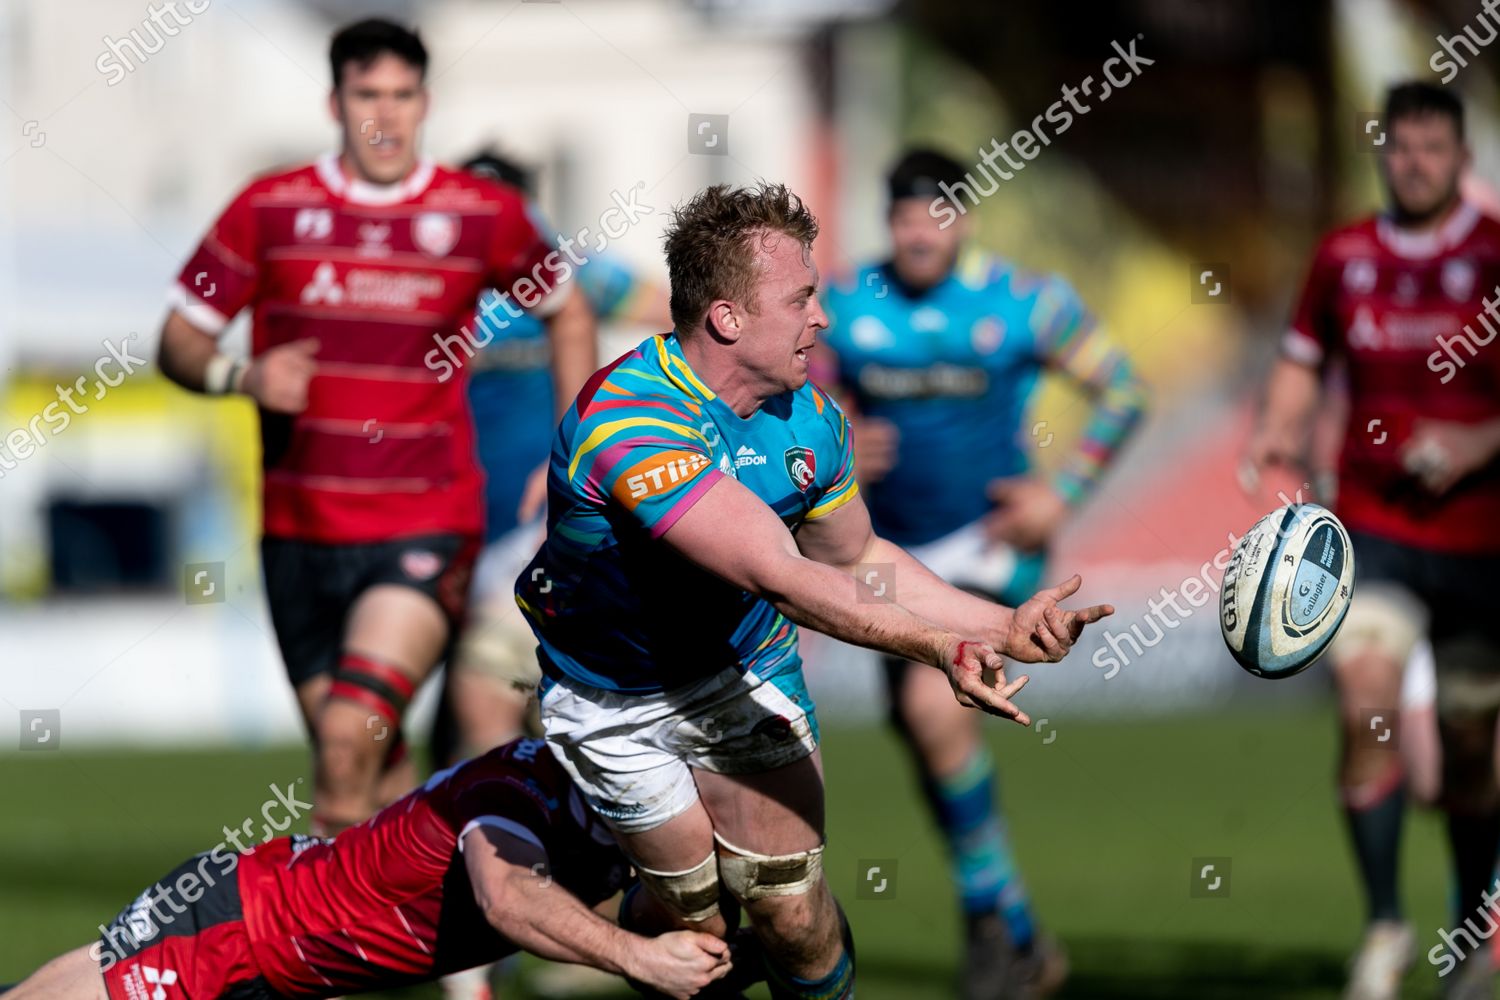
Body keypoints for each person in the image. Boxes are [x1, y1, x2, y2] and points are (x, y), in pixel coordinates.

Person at [514, 182, 1113, 999]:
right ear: (727, 317)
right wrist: (939, 646)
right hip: (613, 698)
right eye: (801, 298)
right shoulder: (629, 420)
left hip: (742, 670)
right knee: (694, 924)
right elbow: (783, 575)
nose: (821, 319)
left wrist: (1005, 625)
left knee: (790, 914)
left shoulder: (811, 420)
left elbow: (860, 555)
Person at [154, 19, 596, 833]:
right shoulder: (268, 208)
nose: (384, 116)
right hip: (299, 535)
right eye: (367, 95)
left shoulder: (481, 214)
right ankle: (453, 947)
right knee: (378, 766)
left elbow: (568, 314)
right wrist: (241, 376)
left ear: (425, 102)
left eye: (401, 96)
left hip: (422, 522)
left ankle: (311, 959)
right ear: (334, 101)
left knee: (345, 747)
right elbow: (178, 340)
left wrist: (572, 449)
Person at [817, 148, 1148, 999]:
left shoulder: (1028, 303)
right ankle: (1023, 936)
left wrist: (1060, 494)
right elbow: (797, 410)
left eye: (936, 212)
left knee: (935, 706)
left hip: (996, 550)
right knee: (930, 736)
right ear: (886, 221)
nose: (919, 231)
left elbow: (1121, 389)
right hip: (893, 558)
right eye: (903, 216)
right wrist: (839, 444)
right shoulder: (846, 305)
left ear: (963, 217)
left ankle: (990, 928)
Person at [1245, 81, 1500, 1000]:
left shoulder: (1495, 252)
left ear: (1461, 157)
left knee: (1472, 750)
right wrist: (1276, 428)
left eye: (1433, 148)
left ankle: (1472, 926)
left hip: (1482, 549)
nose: (1416, 162)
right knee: (1367, 707)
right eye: (1401, 147)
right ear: (1382, 153)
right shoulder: (1343, 255)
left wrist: (1480, 441)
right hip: (1375, 533)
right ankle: (1386, 928)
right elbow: (1300, 361)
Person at [4, 739, 733, 1000]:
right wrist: (640, 960)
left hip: (264, 950)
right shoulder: (516, 793)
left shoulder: (620, 820)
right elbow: (510, 897)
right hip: (233, 933)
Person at [446, 149, 668, 760]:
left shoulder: (572, 272)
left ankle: (517, 837)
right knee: (452, 718)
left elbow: (691, 323)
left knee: (493, 698)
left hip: (530, 530)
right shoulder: (431, 282)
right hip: (442, 525)